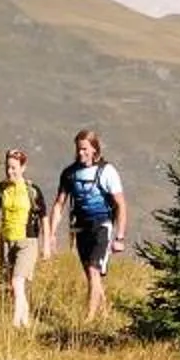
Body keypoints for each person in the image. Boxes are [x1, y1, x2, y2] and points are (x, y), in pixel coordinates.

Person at [45, 129, 128, 323]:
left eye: (84, 149)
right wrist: (51, 233)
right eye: (78, 149)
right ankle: (105, 315)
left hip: (102, 225)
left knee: (93, 269)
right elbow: (59, 204)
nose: (80, 153)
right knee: (92, 276)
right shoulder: (69, 173)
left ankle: (88, 320)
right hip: (80, 227)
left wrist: (120, 237)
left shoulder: (107, 171)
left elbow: (121, 204)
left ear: (94, 149)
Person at [0, 149, 48, 328]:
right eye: (7, 167)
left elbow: (44, 217)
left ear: (23, 167)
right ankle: (26, 323)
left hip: (27, 242)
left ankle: (14, 324)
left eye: (14, 168)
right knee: (12, 286)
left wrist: (47, 244)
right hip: (6, 241)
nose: (10, 171)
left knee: (17, 281)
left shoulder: (32, 190)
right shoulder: (1, 189)